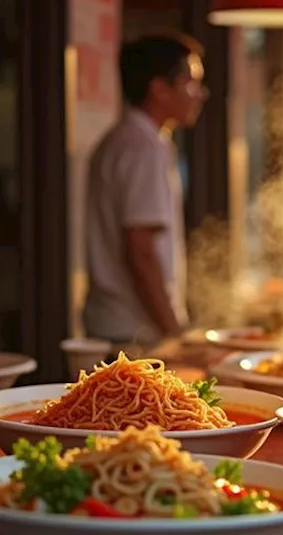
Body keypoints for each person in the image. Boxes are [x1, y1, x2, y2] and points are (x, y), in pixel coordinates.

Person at [83, 34, 208, 347]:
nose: (201, 93)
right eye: (191, 82)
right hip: (133, 334)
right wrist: (175, 334)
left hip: (120, 325)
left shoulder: (131, 138)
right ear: (159, 89)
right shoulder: (142, 146)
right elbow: (141, 251)